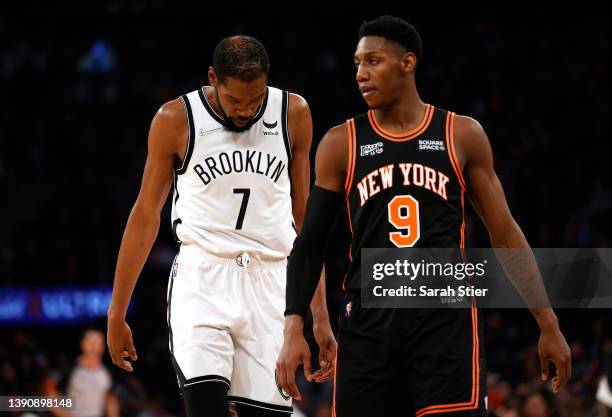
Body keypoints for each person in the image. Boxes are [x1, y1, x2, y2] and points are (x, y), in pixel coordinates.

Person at [276, 15, 572, 417]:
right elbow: (310, 243)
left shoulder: (460, 134)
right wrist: (295, 324)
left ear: (407, 63)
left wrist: (548, 322)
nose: (361, 74)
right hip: (368, 320)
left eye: (373, 62)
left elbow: (504, 234)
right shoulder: (339, 142)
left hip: (443, 319)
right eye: (357, 64)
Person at [106, 35, 335, 417]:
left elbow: (305, 222)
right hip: (203, 278)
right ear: (213, 78)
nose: (245, 110)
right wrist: (117, 310)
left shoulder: (294, 113)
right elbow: (145, 215)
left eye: (254, 99)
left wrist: (320, 315)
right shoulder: (175, 119)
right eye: (234, 100)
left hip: (272, 282)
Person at [46, 329, 119, 417]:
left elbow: (111, 400)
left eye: (98, 343)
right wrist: (63, 413)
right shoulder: (70, 367)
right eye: (91, 342)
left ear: (103, 347)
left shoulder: (107, 371)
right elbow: (49, 387)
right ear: (83, 344)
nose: (94, 346)